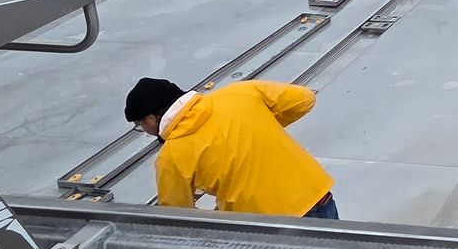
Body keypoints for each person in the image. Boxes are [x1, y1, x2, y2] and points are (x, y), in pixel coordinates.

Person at [124, 77, 337, 219]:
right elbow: (304, 99)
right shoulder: (239, 92)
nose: (143, 129)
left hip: (268, 225)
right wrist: (263, 126)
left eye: (140, 124)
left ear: (152, 117)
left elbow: (177, 216)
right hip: (316, 196)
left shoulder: (171, 156)